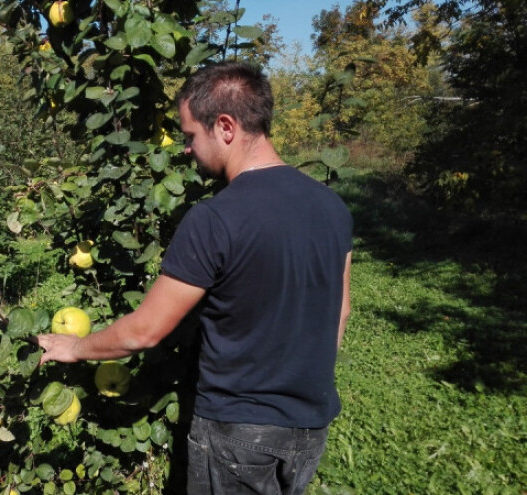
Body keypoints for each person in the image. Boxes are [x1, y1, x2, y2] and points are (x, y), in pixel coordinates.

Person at [36, 61, 353, 495]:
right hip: (310, 426)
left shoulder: (216, 217)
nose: (186, 149)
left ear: (225, 127)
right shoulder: (332, 206)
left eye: (190, 136)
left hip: (239, 430)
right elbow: (341, 311)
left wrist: (75, 347)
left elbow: (145, 331)